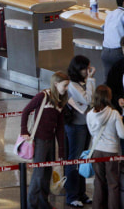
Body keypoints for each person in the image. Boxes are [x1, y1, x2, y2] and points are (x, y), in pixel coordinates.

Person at [20, 72, 68, 209]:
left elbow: (59, 127)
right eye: (64, 85)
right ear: (56, 84)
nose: (66, 88)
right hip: (40, 140)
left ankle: (43, 202)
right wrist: (24, 130)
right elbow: (26, 110)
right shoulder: (43, 96)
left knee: (47, 173)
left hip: (50, 140)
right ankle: (32, 204)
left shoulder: (60, 101)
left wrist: (62, 150)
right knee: (39, 174)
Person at [87, 85, 124, 209]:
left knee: (98, 182)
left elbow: (92, 133)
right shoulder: (114, 114)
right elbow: (122, 134)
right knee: (113, 183)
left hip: (97, 151)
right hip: (111, 152)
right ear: (109, 97)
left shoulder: (90, 114)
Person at [65, 55, 95, 208]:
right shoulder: (72, 85)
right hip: (76, 126)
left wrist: (89, 81)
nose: (88, 71)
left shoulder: (83, 82)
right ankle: (71, 195)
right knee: (74, 159)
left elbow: (92, 99)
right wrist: (91, 80)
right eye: (85, 68)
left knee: (84, 158)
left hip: (85, 124)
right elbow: (89, 99)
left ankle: (81, 192)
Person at [102, 0, 124, 79]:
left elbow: (103, 27)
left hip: (105, 51)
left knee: (108, 79)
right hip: (118, 52)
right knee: (119, 80)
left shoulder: (110, 14)